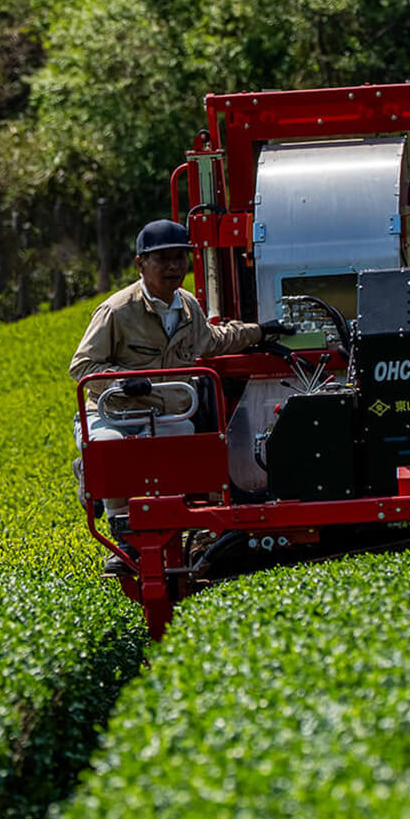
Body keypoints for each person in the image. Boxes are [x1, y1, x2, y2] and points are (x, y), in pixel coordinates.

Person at [69, 218, 294, 573]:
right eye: (163, 259)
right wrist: (125, 381)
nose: (174, 266)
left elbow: (212, 342)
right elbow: (82, 366)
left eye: (180, 258)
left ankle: (174, 534)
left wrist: (259, 332)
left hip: (169, 412)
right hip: (118, 414)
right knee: (111, 447)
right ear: (140, 264)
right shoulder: (116, 311)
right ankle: (123, 539)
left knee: (184, 450)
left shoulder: (188, 307)